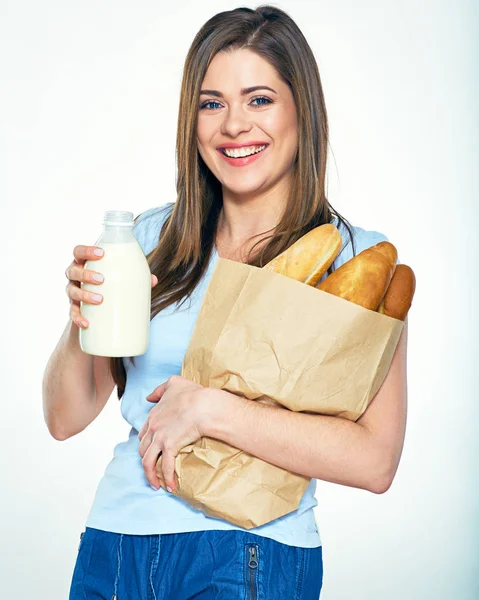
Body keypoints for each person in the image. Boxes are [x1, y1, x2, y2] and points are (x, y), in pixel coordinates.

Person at [43, 5, 408, 599]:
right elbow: (64, 419)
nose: (233, 125)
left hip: (252, 550)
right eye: (212, 104)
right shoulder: (145, 240)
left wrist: (212, 411)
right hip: (114, 542)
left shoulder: (359, 263)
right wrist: (79, 317)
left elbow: (375, 462)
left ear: (302, 112)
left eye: (259, 100)